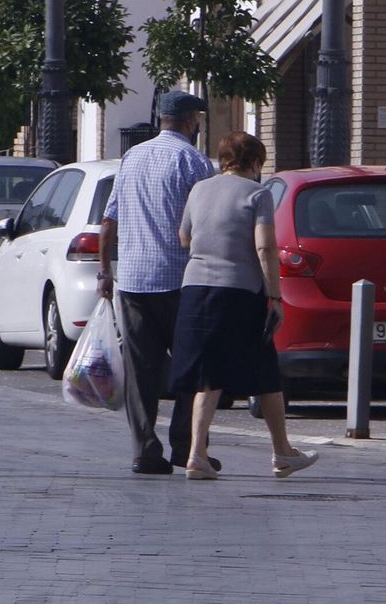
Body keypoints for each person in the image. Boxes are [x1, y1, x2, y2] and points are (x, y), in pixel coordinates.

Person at [170, 131, 318, 480]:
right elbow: (265, 247)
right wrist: (275, 297)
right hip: (237, 291)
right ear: (254, 162)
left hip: (195, 288)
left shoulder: (199, 189)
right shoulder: (258, 194)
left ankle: (197, 455)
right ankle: (282, 452)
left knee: (208, 373)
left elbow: (184, 237)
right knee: (265, 371)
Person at [98, 90, 217, 476]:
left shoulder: (132, 157)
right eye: (196, 118)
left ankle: (144, 449)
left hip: (133, 281)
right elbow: (208, 222)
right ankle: (185, 446)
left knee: (141, 369)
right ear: (188, 121)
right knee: (190, 366)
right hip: (181, 280)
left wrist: (105, 271)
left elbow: (108, 220)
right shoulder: (194, 161)